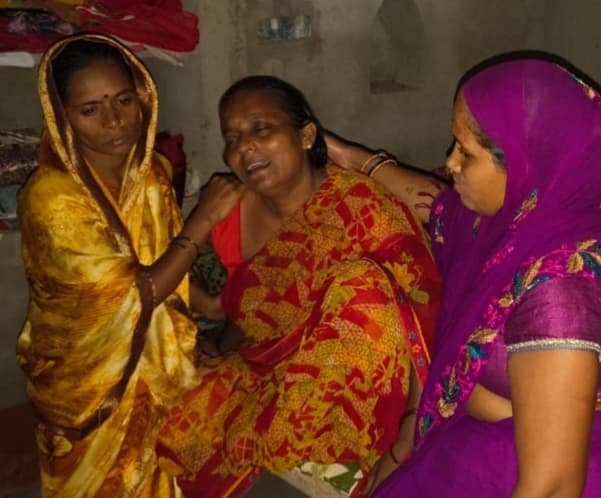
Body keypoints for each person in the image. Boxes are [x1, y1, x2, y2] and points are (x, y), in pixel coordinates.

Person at [327, 55, 601, 497]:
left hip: (525, 470)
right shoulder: (510, 220)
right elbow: (436, 204)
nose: (450, 163)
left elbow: (552, 486)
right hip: (485, 442)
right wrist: (354, 158)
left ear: (524, 163)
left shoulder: (560, 286)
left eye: (465, 152)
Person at [156, 75, 442, 497]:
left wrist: (411, 428)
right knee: (166, 412)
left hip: (362, 382)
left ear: (306, 136)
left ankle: (326, 441)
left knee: (363, 287)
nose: (244, 146)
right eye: (232, 137)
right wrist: (214, 345)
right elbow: (250, 311)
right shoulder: (230, 213)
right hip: (267, 368)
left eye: (261, 128)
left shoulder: (363, 207)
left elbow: (422, 311)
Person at [16, 33, 242, 497]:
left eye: (123, 100)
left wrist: (210, 305)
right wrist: (203, 219)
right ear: (62, 117)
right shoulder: (51, 199)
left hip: (154, 371)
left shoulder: (152, 173)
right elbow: (135, 296)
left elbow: (164, 257)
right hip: (89, 383)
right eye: (90, 109)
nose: (115, 121)